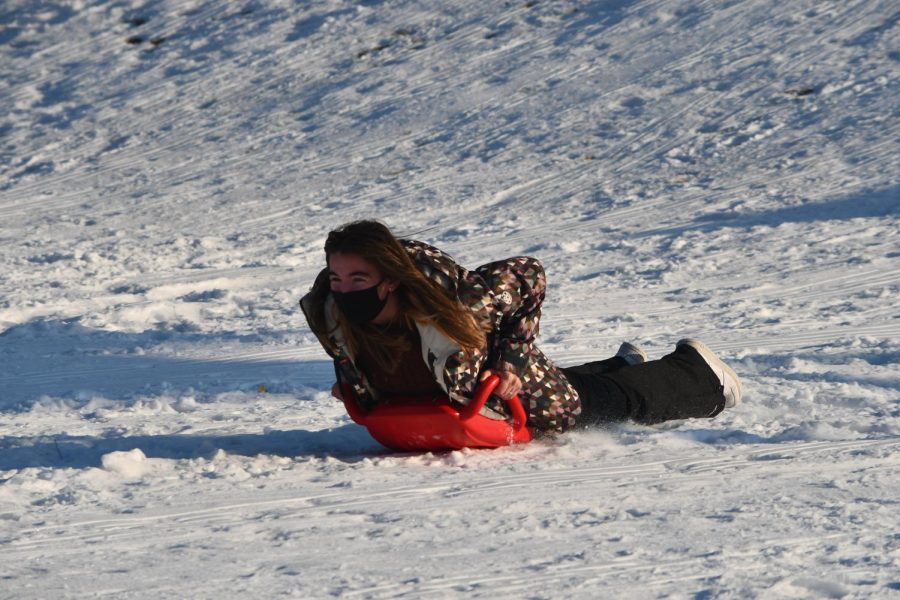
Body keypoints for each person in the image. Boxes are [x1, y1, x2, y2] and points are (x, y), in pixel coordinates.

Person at [300, 220, 742, 435]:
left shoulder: (463, 304)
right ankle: (623, 363)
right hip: (462, 393)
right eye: (337, 279)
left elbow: (528, 274)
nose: (344, 290)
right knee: (573, 383)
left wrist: (511, 361)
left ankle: (701, 374)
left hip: (519, 397)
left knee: (603, 402)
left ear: (391, 280)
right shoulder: (335, 317)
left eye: (358, 280)